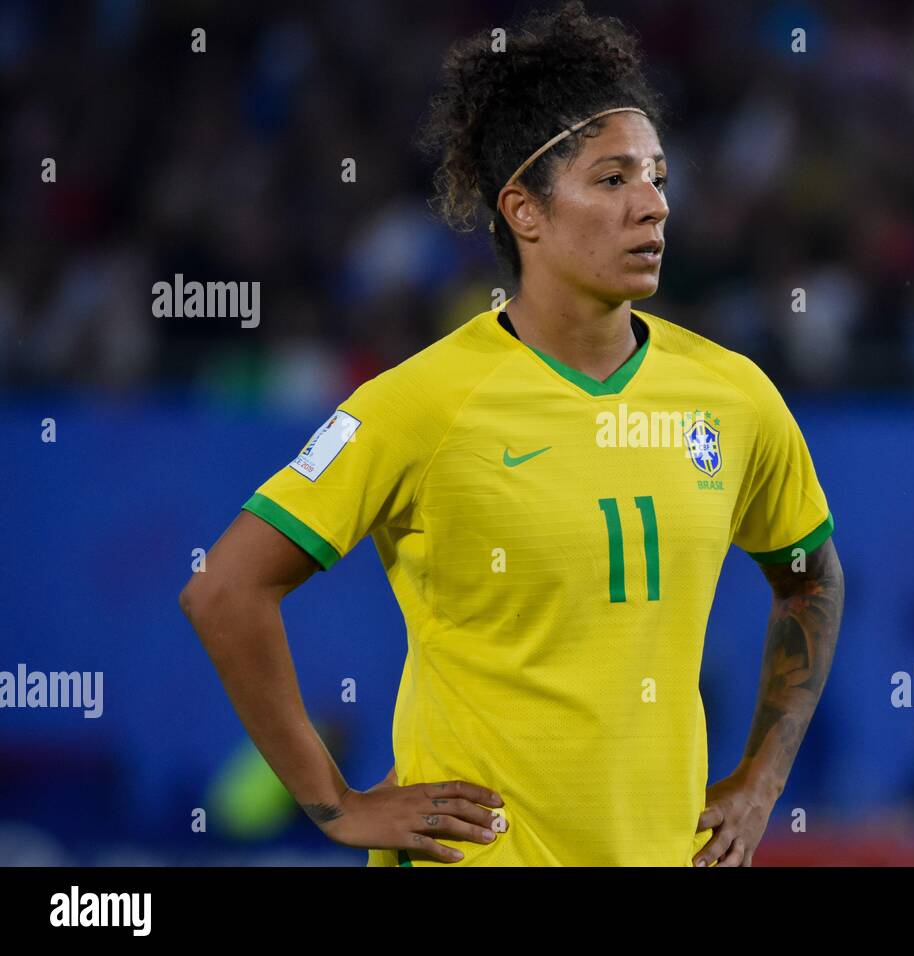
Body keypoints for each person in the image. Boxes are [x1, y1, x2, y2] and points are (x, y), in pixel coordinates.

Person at [179, 0, 844, 867]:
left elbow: (810, 579)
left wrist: (760, 781)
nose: (652, 206)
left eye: (658, 177)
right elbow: (224, 591)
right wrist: (336, 806)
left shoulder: (734, 395)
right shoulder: (422, 402)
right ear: (524, 211)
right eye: (612, 180)